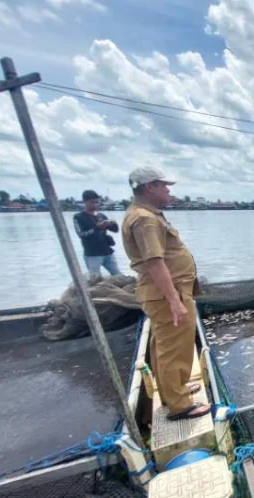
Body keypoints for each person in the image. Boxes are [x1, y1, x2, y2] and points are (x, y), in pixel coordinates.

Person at [121, 167, 209, 421]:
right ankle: (180, 405)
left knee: (164, 344)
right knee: (174, 347)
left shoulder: (144, 214)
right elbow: (154, 262)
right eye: (164, 186)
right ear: (149, 187)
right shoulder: (145, 219)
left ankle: (174, 389)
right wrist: (174, 301)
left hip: (164, 293)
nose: (168, 191)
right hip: (167, 294)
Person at [74, 190, 120, 280]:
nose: (95, 205)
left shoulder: (101, 216)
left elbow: (115, 230)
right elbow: (82, 235)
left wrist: (113, 223)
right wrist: (97, 228)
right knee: (95, 279)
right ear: (85, 201)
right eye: (92, 202)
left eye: (97, 202)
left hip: (107, 252)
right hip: (92, 254)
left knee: (118, 275)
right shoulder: (79, 217)